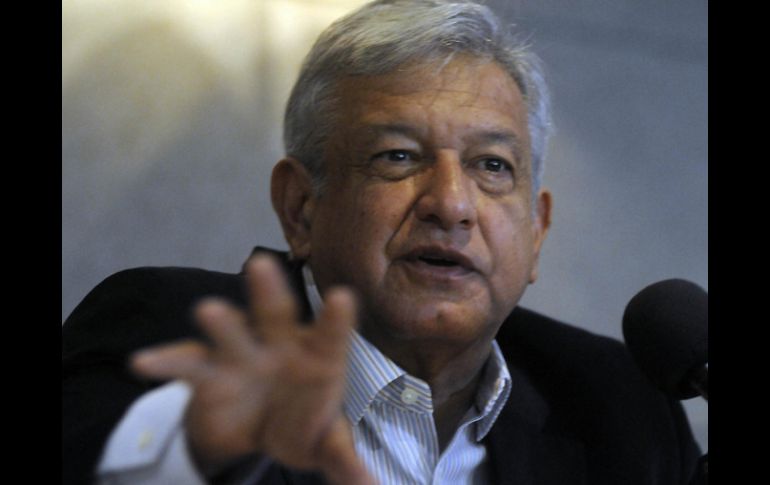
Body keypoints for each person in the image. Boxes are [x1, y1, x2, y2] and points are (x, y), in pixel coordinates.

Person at [62, 1, 702, 484]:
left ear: (537, 231)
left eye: (492, 165)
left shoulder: (620, 408)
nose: (451, 204)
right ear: (301, 208)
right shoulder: (168, 332)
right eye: (397, 156)